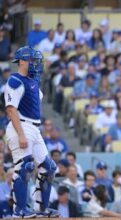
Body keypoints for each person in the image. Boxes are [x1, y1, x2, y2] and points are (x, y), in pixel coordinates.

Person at [4, 46, 59, 217]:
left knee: (48, 167)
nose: (36, 64)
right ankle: (19, 210)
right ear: (21, 61)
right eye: (32, 60)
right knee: (25, 166)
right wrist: (20, 134)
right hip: (20, 126)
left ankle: (40, 209)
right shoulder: (15, 80)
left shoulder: (33, 81)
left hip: (34, 128)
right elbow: (11, 110)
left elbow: (37, 99)